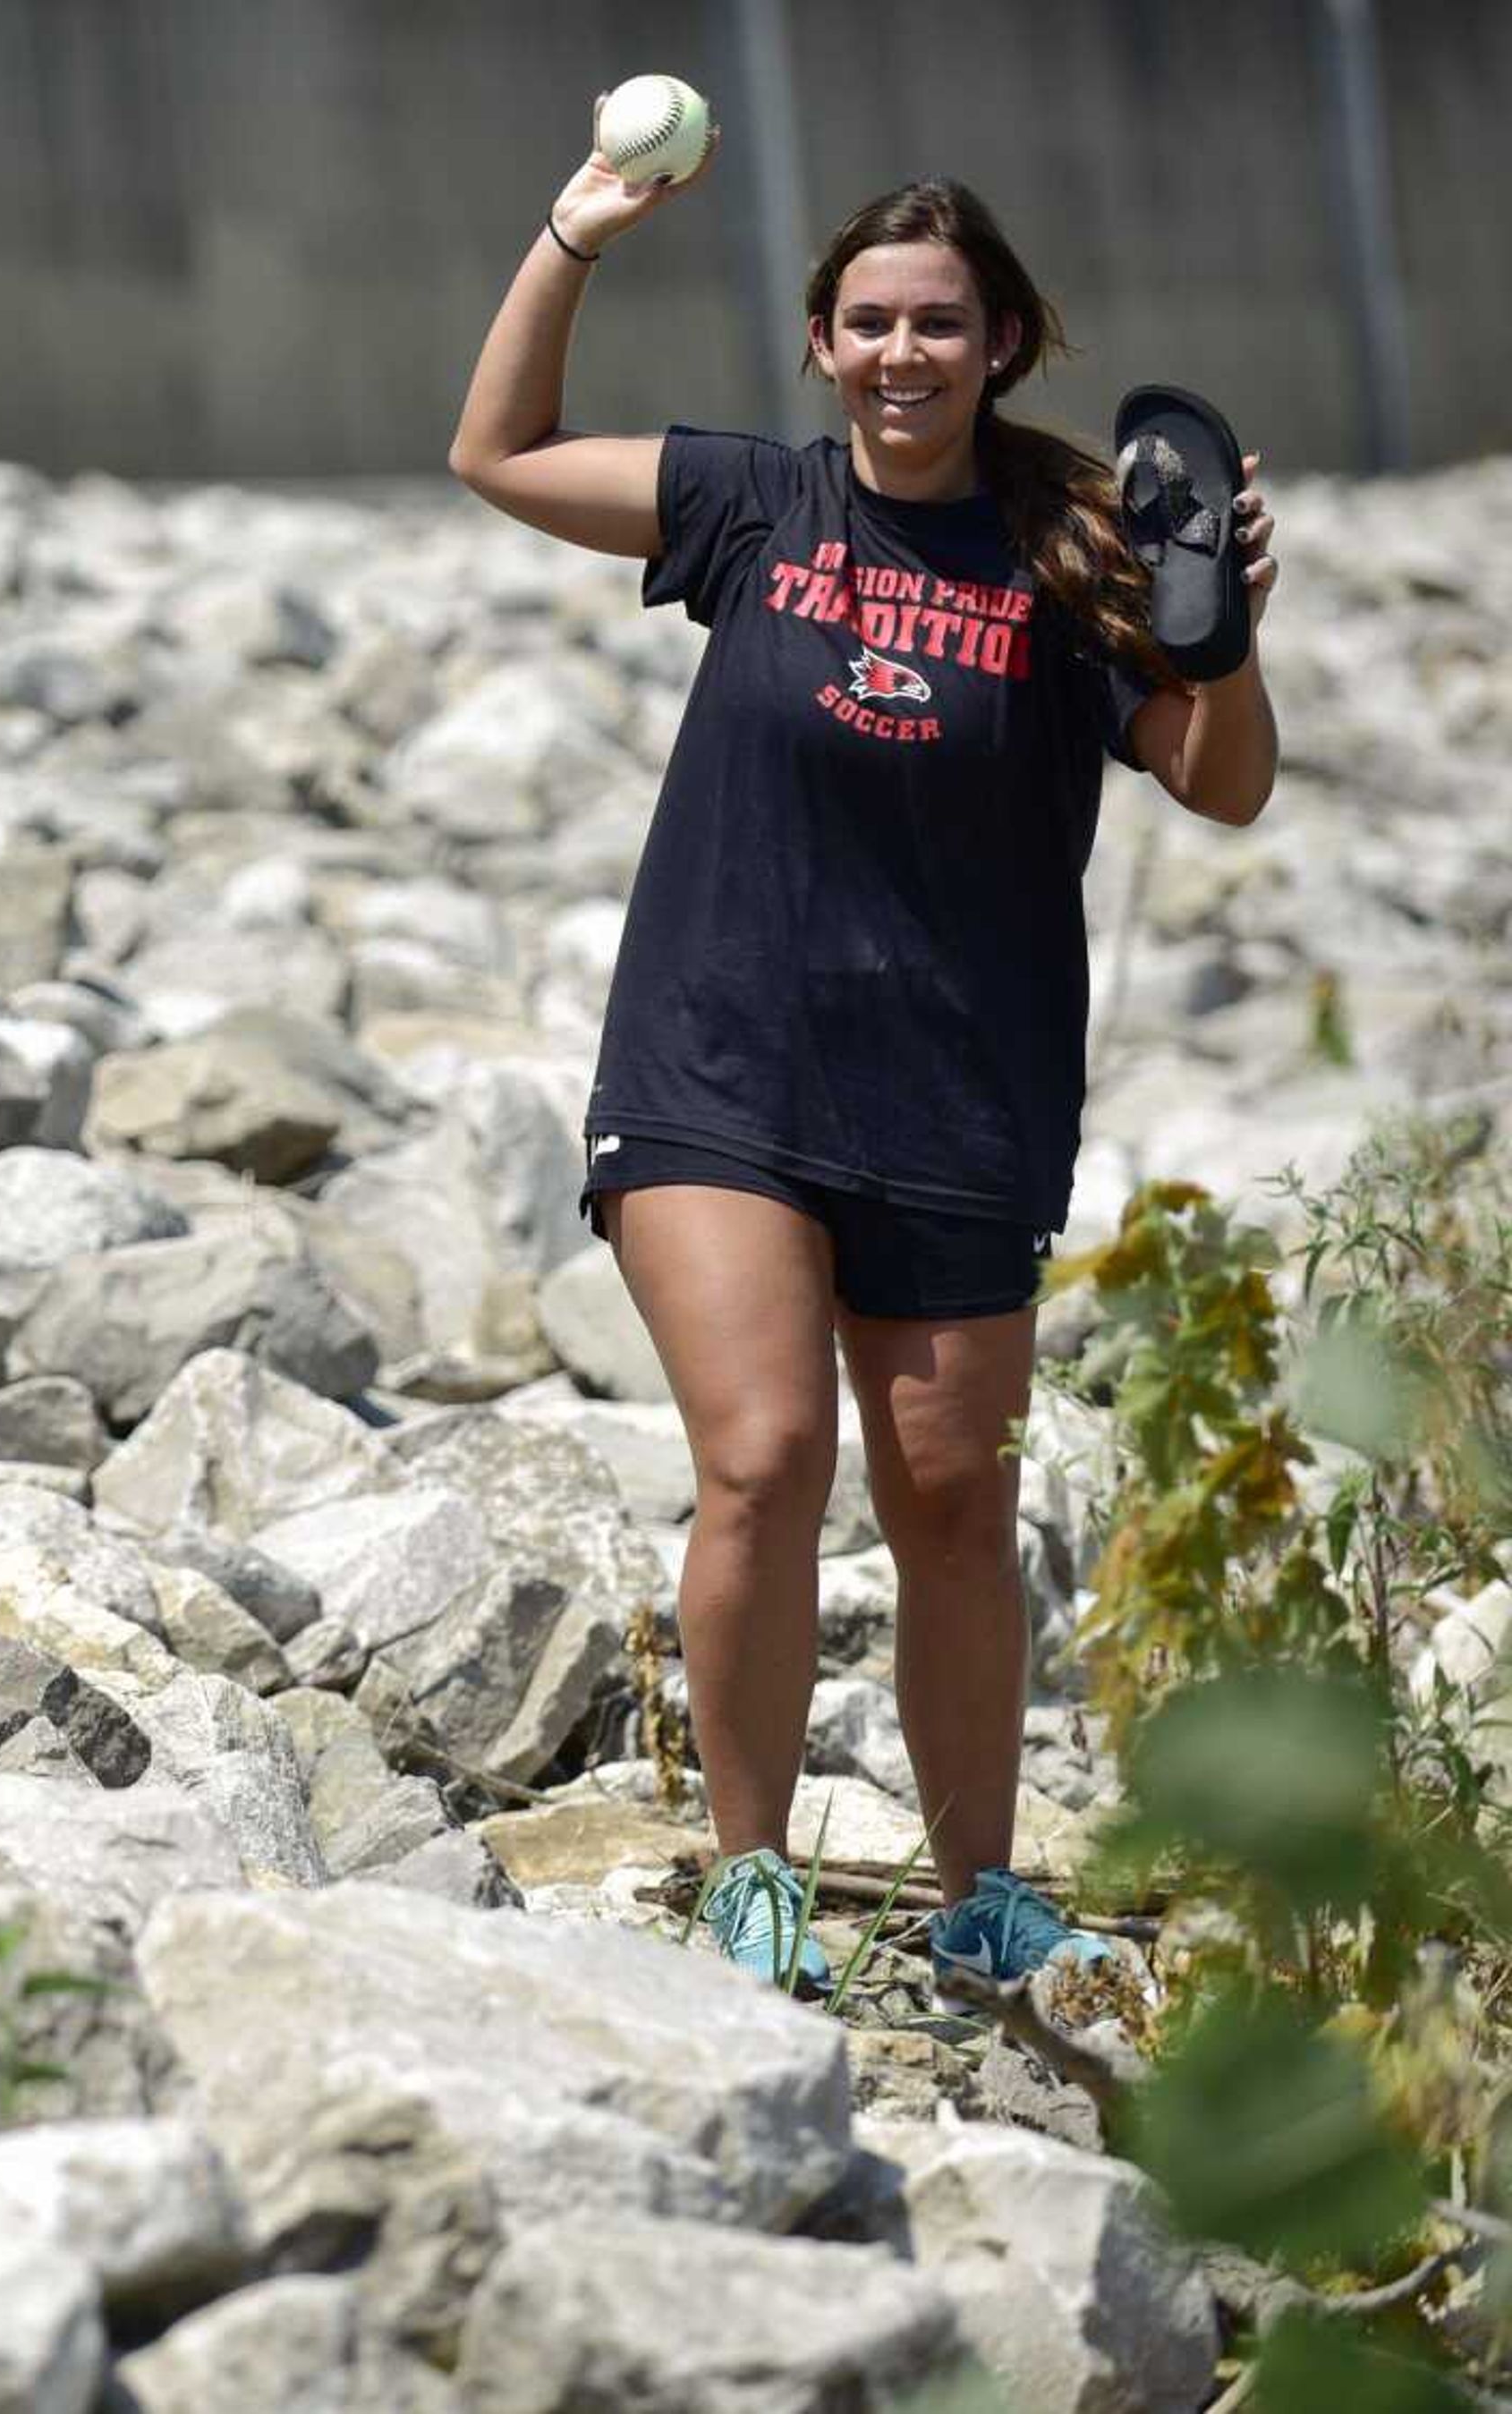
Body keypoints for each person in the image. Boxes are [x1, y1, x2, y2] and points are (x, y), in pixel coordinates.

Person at [446, 124, 1279, 1993]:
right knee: (762, 1455)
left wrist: (1223, 621)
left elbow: (1221, 786)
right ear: (822, 344)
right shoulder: (754, 507)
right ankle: (753, 1874)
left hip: (963, 1092)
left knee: (954, 1502)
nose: (905, 353)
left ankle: (983, 1885)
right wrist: (571, 231)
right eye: (870, 323)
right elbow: (495, 454)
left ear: (1004, 343)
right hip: (719, 1067)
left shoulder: (1077, 549)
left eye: (942, 323)